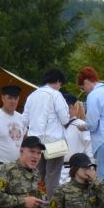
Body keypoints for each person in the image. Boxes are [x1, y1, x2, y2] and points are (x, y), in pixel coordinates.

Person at [23, 69, 69, 198]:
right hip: (54, 142)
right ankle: (50, 207)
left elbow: (24, 120)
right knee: (53, 176)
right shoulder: (56, 95)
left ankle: (36, 204)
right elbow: (65, 119)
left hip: (35, 143)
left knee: (37, 176)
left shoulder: (32, 95)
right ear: (58, 81)